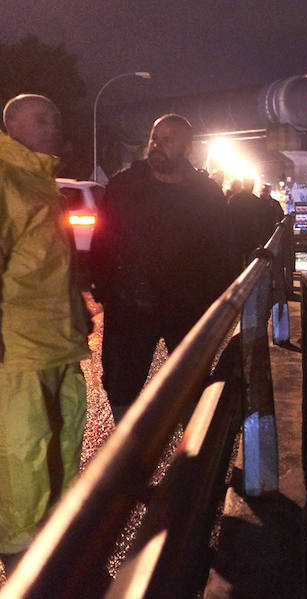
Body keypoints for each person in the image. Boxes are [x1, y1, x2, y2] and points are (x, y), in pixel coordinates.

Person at [90, 114, 234, 421]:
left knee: (190, 383)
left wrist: (213, 299)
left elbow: (222, 248)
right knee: (121, 384)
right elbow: (102, 240)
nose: (157, 146)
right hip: (130, 304)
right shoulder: (123, 187)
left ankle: (193, 460)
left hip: (187, 306)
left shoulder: (205, 194)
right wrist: (104, 289)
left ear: (187, 147)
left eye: (168, 140)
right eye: (155, 138)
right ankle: (126, 456)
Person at [0, 94, 91, 567]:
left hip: (56, 340)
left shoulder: (40, 180)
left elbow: (51, 261)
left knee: (62, 436)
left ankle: (55, 537)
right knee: (21, 451)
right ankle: (19, 554)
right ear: (9, 124)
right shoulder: (6, 176)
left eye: (56, 116)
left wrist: (77, 309)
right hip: (18, 347)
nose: (52, 124)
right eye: (40, 118)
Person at [227, 179, 284, 264]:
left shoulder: (234, 199)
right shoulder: (256, 201)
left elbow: (228, 217)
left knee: (237, 261)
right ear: (252, 186)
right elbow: (262, 221)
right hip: (252, 236)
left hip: (236, 235)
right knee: (251, 261)